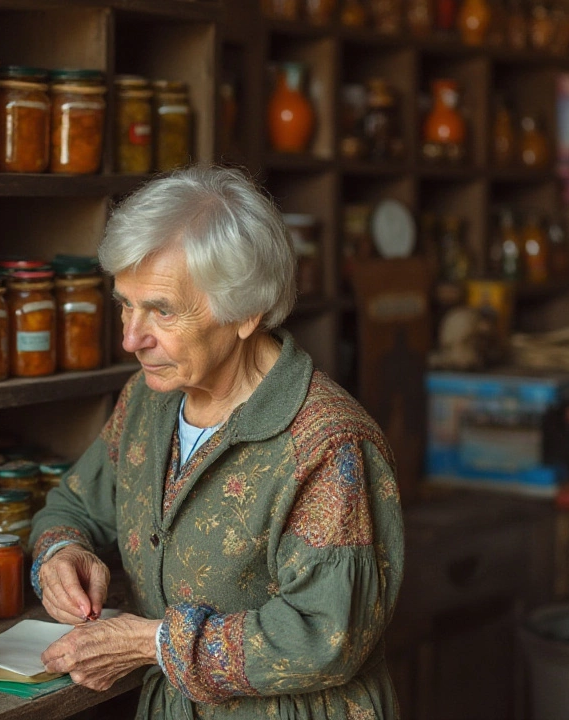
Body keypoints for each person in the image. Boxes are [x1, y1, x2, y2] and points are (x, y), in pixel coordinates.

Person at [31, 165, 404, 719]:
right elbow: (73, 505)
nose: (131, 338)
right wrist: (63, 555)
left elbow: (327, 635)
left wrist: (151, 642)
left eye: (161, 310)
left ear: (245, 311)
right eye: (125, 304)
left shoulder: (328, 444)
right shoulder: (147, 401)